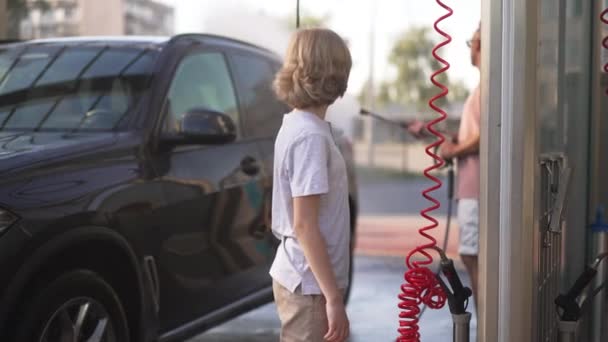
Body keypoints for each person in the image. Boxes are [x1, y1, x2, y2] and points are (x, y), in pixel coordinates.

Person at [270, 28, 352, 342]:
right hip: (311, 286)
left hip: (305, 278)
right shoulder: (311, 137)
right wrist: (332, 298)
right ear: (333, 74)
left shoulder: (297, 124)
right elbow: (304, 224)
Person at [439, 25, 482, 311]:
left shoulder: (487, 87)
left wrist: (454, 149)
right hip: (473, 186)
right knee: (472, 256)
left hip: (477, 189)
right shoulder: (483, 88)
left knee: (473, 257)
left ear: (480, 45)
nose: (469, 48)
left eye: (471, 41)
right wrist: (456, 141)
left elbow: (484, 136)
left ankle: (486, 322)